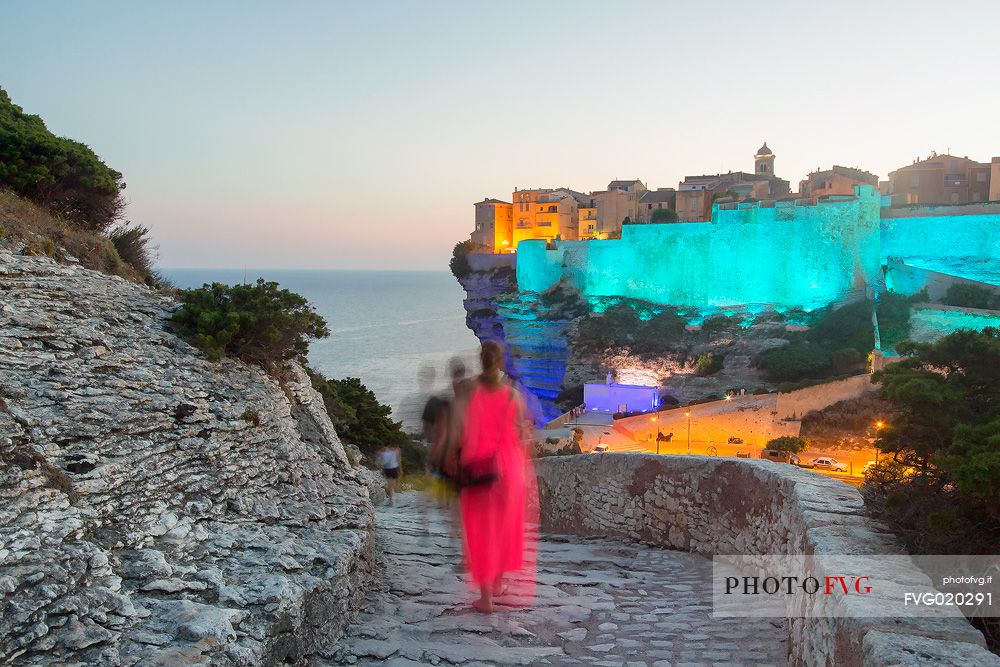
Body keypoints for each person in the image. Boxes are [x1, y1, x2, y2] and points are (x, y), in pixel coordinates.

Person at [459, 340, 536, 613]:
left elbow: (462, 430)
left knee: (481, 531)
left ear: (480, 360)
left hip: (478, 466)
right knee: (504, 527)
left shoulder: (468, 392)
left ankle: (485, 597)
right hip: (508, 468)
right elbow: (524, 435)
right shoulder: (514, 396)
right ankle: (499, 584)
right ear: (501, 362)